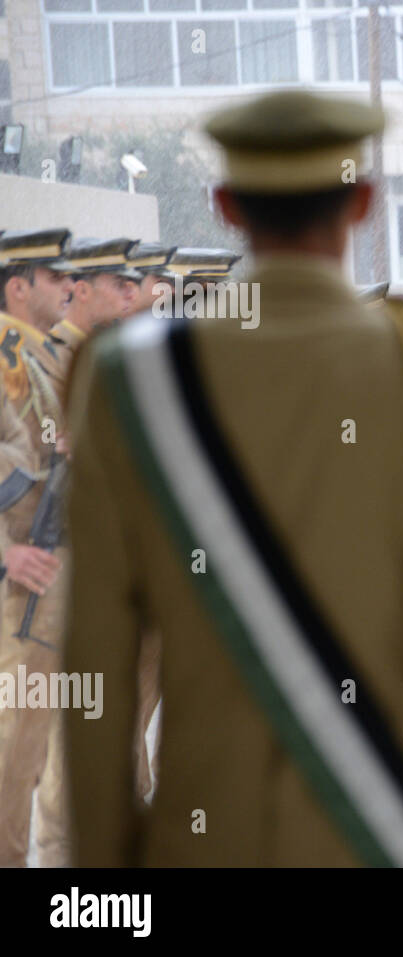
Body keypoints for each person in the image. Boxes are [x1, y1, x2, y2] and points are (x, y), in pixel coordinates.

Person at [62, 89, 403, 866]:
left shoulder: (127, 379)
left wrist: (103, 877)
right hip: (385, 825)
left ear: (225, 206)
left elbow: (96, 657)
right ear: (364, 202)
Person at [0, 228, 75, 867]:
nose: (67, 287)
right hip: (17, 582)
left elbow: (42, 433)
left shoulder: (36, 353)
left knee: (27, 752)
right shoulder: (5, 352)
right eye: (54, 277)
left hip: (43, 577)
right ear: (18, 286)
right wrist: (3, 552)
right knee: (9, 752)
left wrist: (63, 440)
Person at [48, 237, 143, 389]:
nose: (130, 294)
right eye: (119, 285)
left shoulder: (102, 349)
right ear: (83, 291)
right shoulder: (55, 355)